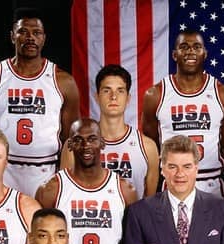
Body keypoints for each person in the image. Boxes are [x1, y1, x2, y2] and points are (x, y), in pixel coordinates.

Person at [36, 118, 138, 244]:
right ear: (70, 145)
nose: (85, 146)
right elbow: (39, 243)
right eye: (78, 140)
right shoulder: (52, 190)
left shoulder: (124, 190)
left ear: (102, 143)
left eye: (92, 139)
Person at [0, 6, 81, 198]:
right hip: (3, 170)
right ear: (12, 36)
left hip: (46, 171)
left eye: (36, 32)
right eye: (23, 32)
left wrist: (64, 178)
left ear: (44, 38)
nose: (30, 37)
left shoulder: (63, 81)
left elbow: (70, 140)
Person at [141, 29, 224, 197]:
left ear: (205, 54)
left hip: (210, 181)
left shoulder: (222, 94)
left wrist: (212, 167)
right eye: (184, 47)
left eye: (196, 47)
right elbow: (152, 146)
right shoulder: (156, 95)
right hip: (172, 181)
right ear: (174, 55)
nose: (190, 51)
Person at [61, 64, 159, 199]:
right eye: (107, 91)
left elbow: (149, 204)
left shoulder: (148, 147)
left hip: (131, 213)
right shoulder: (74, 146)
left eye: (120, 91)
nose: (113, 97)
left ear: (128, 98)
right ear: (97, 97)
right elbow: (66, 196)